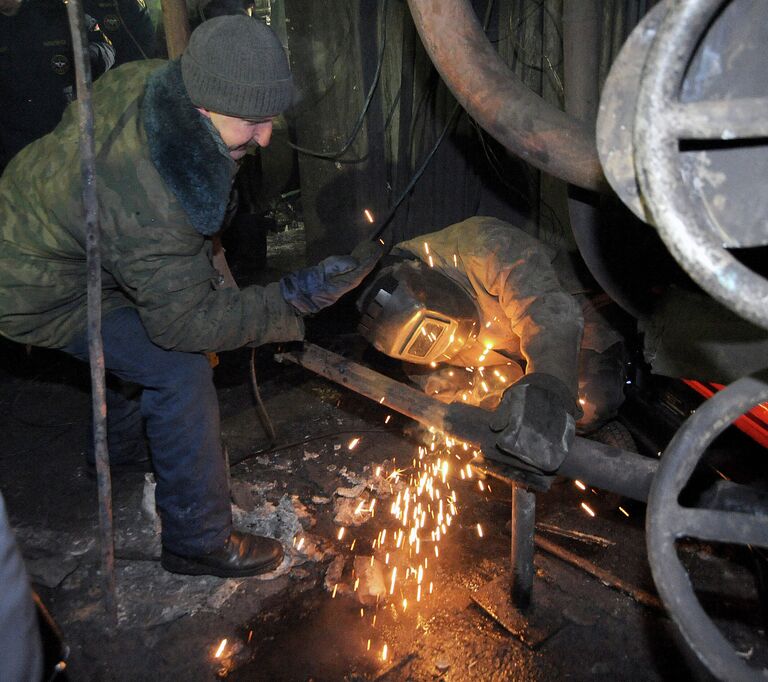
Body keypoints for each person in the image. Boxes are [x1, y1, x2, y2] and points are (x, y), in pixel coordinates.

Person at [0, 16, 380, 578]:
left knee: (138, 338)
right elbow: (184, 324)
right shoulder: (153, 198)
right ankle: (196, 541)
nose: (266, 138)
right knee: (178, 369)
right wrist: (293, 301)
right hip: (35, 287)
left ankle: (123, 457)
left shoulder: (152, 80)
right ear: (202, 109)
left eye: (270, 120)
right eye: (251, 123)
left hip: (47, 229)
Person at [357, 216, 626, 472]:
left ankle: (575, 440)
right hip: (506, 349)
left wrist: (548, 388)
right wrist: (491, 424)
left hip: (567, 314)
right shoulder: (413, 351)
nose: (450, 348)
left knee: (589, 401)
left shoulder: (486, 247)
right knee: (507, 419)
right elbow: (449, 394)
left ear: (431, 293)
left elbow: (548, 313)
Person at [0, 0, 115, 173]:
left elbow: (106, 49)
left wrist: (84, 56)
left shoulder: (57, 12)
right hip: (12, 149)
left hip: (62, 139)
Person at [84, 0, 156, 66]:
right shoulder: (82, 6)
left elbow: (144, 45)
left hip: (132, 66)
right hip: (99, 63)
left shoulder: (132, 5)